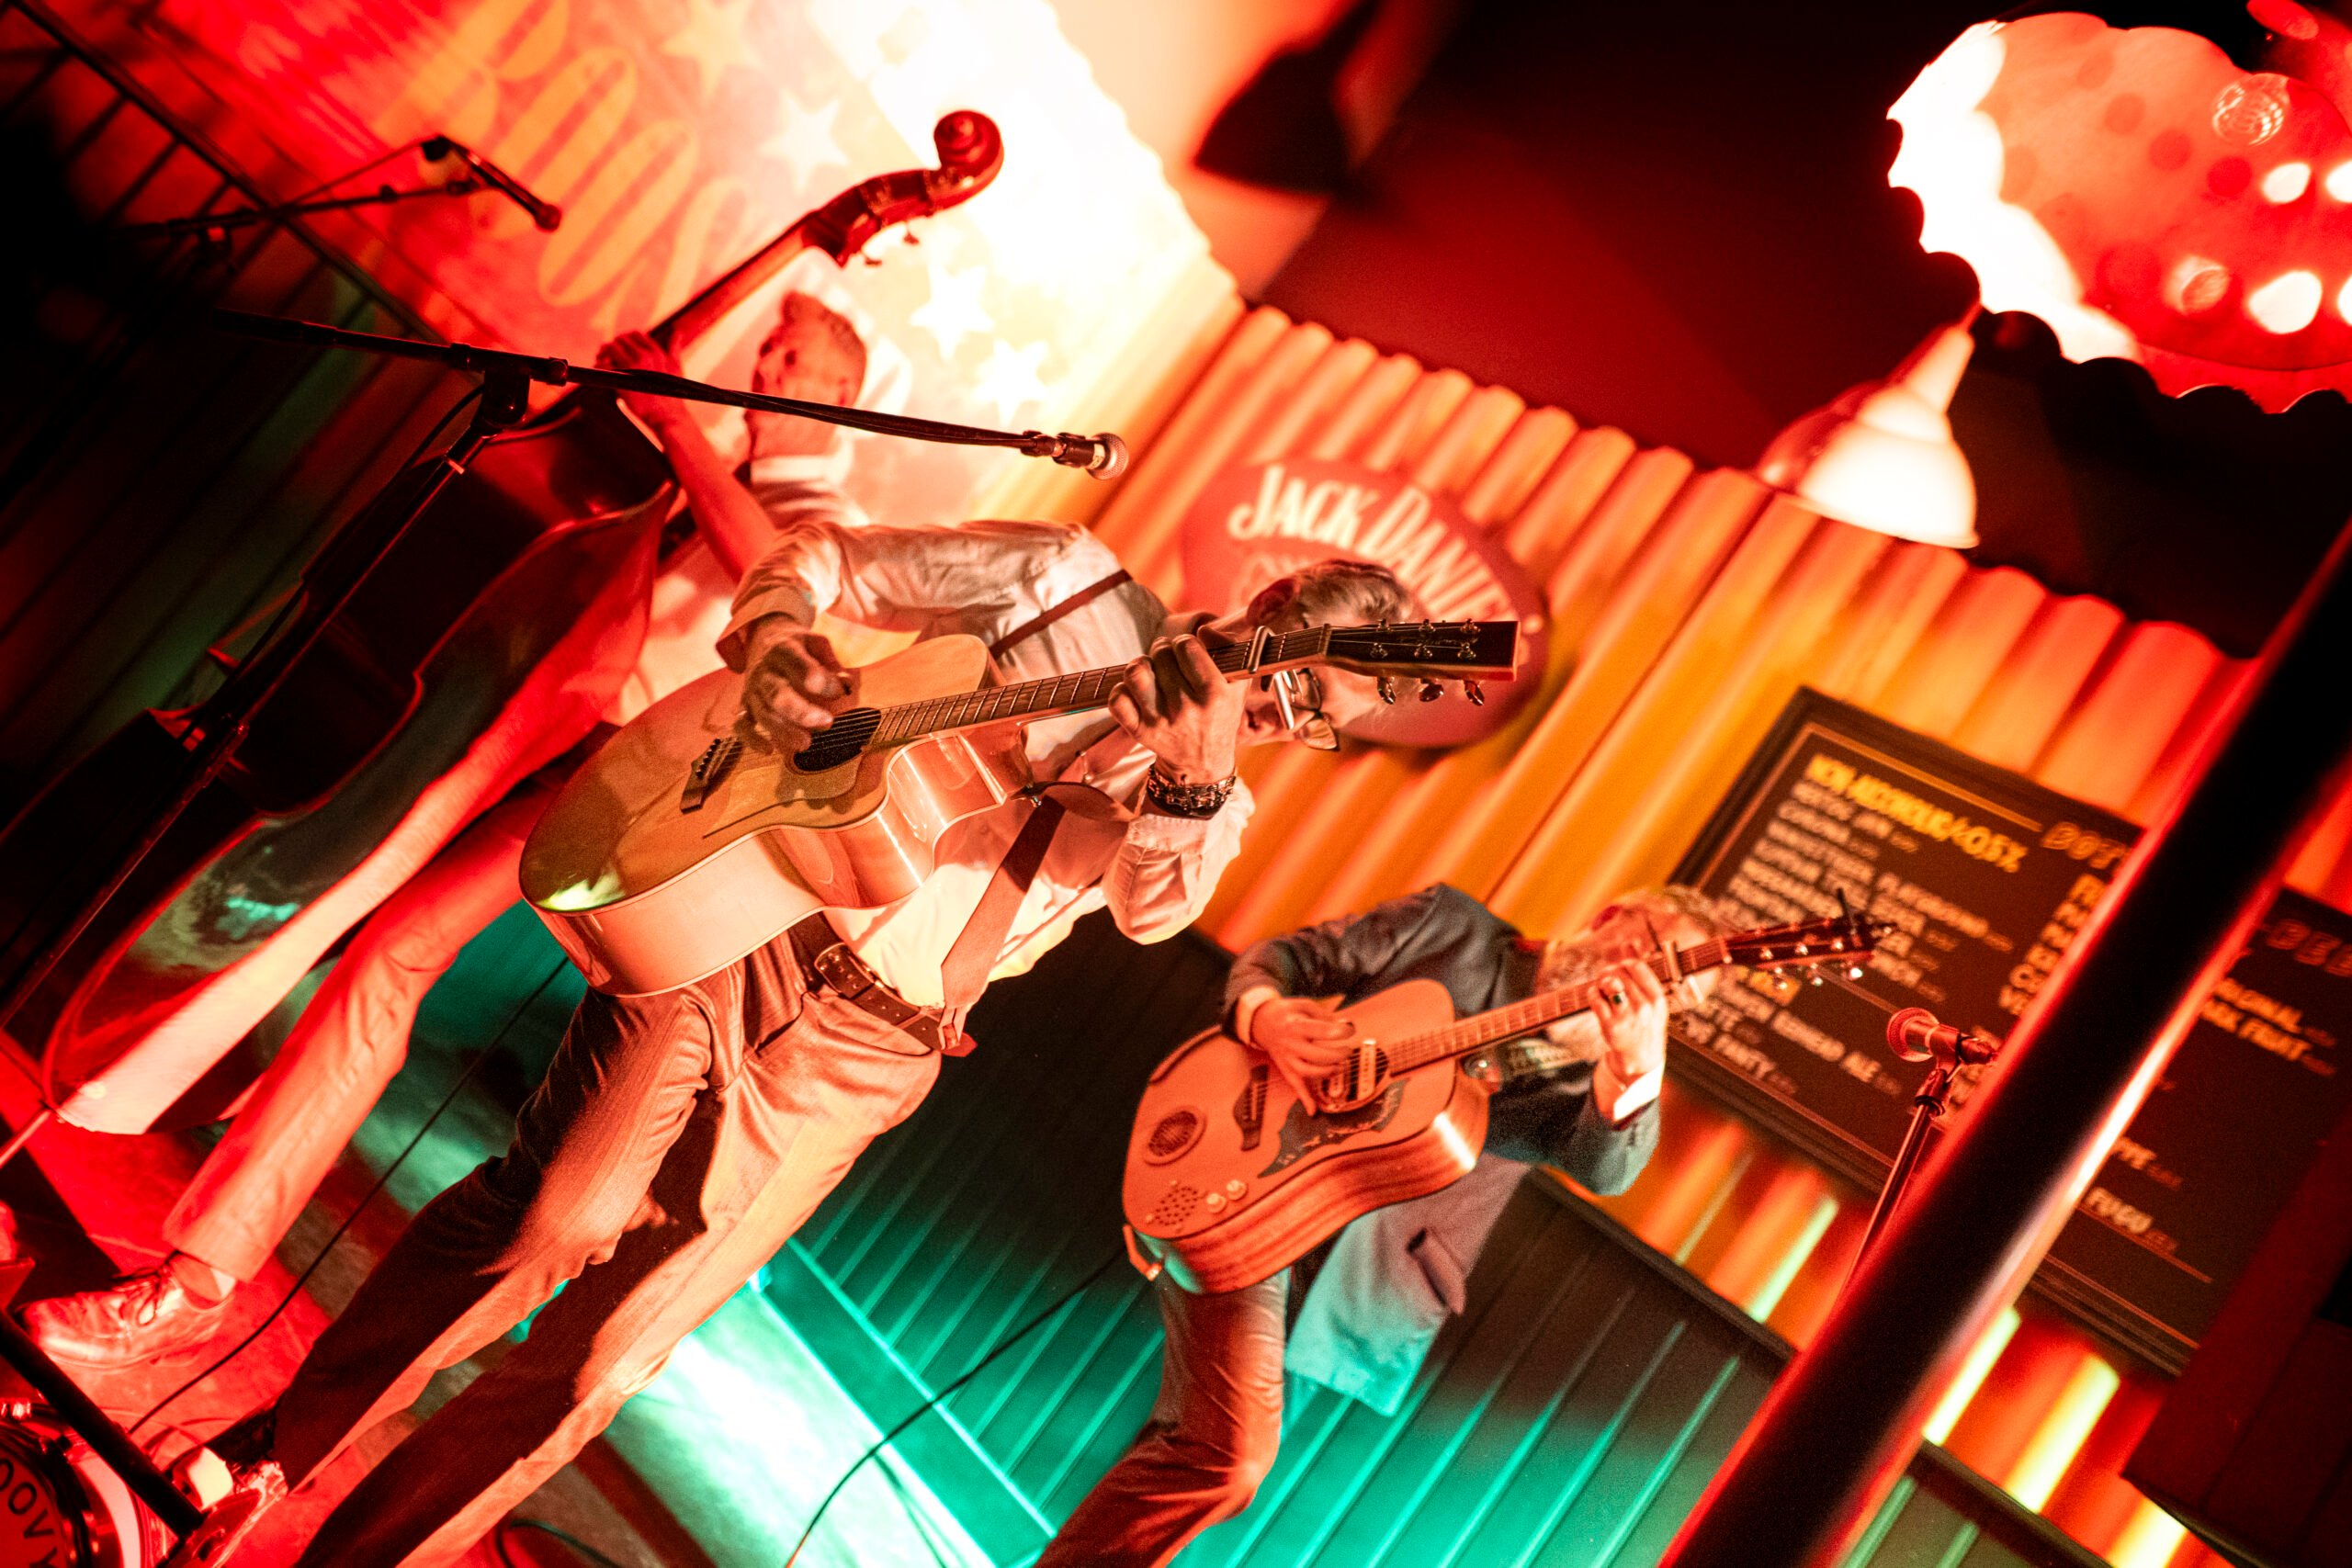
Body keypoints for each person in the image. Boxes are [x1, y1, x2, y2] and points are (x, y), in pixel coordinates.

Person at [188, 420, 1415, 1564]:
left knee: (599, 1361)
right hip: (751, 915)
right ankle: (272, 1449)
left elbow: (1155, 911)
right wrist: (778, 641)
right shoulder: (1068, 581)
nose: (1285, 716)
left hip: (863, 1057)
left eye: (1320, 723)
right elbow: (823, 560)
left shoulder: (1215, 805)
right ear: (1271, 608)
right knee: (551, 1218)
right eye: (1299, 681)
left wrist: (1192, 777)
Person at [21, 293, 872, 1368]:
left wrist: (674, 426)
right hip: (530, 715)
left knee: (395, 949)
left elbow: (772, 576)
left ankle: (196, 1286)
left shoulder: (833, 526)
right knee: (341, 920)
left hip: (618, 777)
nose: (765, 370)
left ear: (842, 395)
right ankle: (121, 1122)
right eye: (769, 348)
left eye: (790, 361)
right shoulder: (715, 475)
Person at [1036, 881, 1734, 1567]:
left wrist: (1637, 1070)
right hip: (1262, 1190)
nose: (1653, 983)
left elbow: (1605, 1170)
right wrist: (1264, 1015)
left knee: (1210, 1453)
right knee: (1223, 1453)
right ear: (1610, 915)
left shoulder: (1590, 1085)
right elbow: (1284, 959)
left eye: (1677, 991)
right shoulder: (1451, 926)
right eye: (1655, 950)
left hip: (1364, 1286)